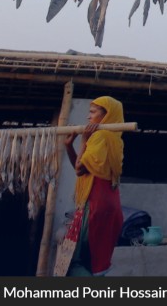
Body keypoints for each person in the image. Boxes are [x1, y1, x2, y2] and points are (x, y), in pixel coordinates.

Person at [62, 96, 126, 277]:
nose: (88, 117)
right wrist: (69, 146)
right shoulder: (116, 139)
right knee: (97, 258)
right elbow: (82, 170)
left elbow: (78, 167)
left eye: (93, 112)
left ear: (106, 117)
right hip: (109, 202)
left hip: (96, 203)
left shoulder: (100, 137)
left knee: (76, 260)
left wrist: (83, 140)